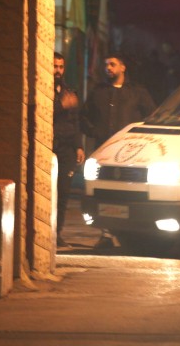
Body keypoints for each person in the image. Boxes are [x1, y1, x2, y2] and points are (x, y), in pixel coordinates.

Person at [83, 53, 156, 149]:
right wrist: (94, 132)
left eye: (112, 64)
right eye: (106, 65)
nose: (108, 68)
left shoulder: (137, 92)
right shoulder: (98, 91)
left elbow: (152, 116)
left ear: (122, 68)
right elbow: (84, 115)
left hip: (129, 147)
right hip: (103, 146)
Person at [53, 52, 84, 247]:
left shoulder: (67, 90)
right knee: (49, 193)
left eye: (61, 67)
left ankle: (57, 234)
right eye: (55, 66)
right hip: (50, 147)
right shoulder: (43, 89)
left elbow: (75, 121)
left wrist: (78, 146)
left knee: (63, 194)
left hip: (66, 149)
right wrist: (60, 106)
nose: (58, 70)